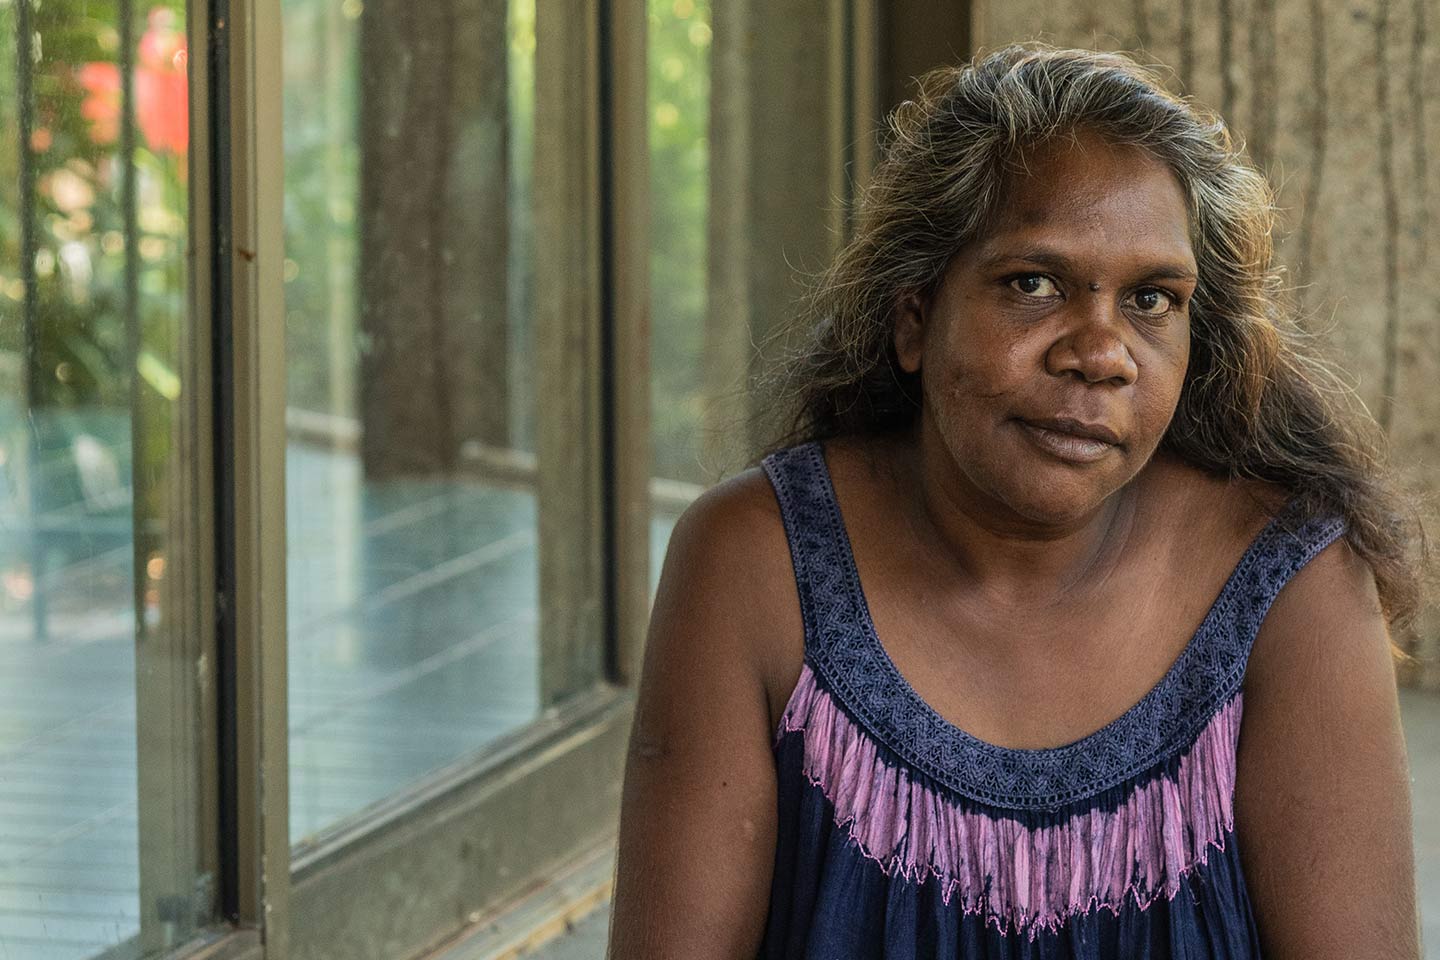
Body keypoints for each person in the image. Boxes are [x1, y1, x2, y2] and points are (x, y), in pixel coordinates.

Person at [607, 44, 1426, 959]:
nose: (1100, 352)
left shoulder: (1290, 583)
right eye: (1032, 284)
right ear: (914, 319)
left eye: (1153, 300)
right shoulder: (758, 561)